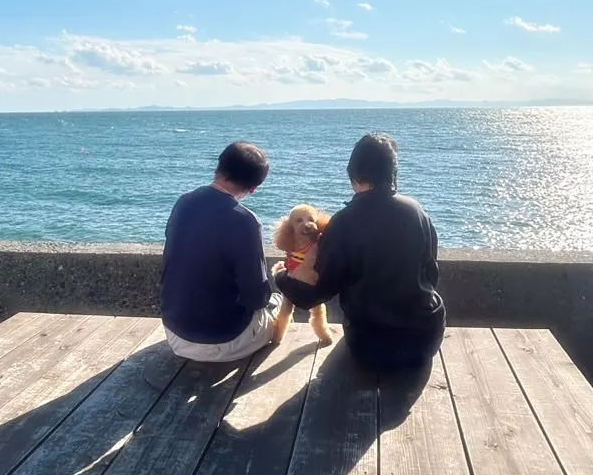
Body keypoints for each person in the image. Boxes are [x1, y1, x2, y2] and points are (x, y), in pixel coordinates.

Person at [275, 132, 445, 370]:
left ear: (354, 175)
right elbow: (431, 273)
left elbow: (312, 296)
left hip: (370, 346)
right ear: (393, 173)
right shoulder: (417, 211)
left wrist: (281, 276)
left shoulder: (344, 223)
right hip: (426, 340)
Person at [160, 140, 281, 361]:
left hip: (174, 334)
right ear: (253, 189)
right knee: (278, 303)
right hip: (224, 342)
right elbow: (255, 297)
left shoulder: (183, 202)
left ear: (219, 168)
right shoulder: (246, 222)